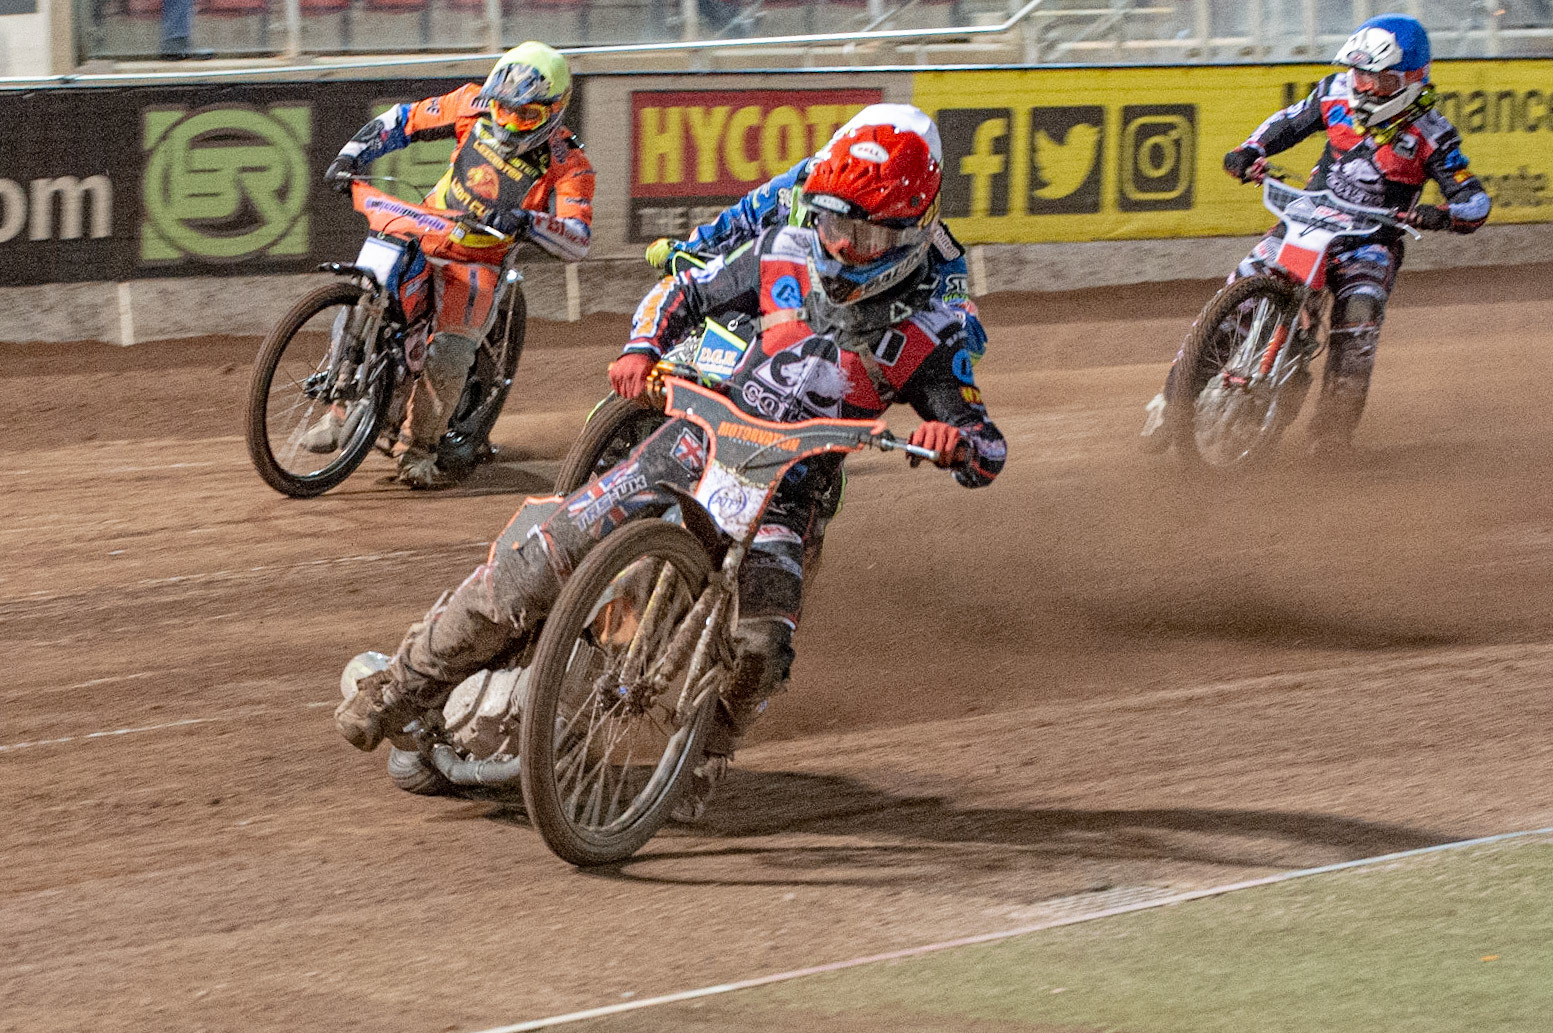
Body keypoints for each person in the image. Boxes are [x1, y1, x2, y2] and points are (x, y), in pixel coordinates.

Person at [336, 121, 1007, 820]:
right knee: (545, 552)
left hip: (788, 493)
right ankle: (398, 688)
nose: (845, 247)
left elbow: (980, 436)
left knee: (760, 645)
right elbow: (685, 289)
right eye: (836, 223)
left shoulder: (938, 325)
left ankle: (707, 751)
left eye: (869, 238)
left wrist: (955, 442)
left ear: (913, 231)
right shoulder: (781, 248)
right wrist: (640, 346)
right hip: (691, 443)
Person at [1139, 14, 1490, 455]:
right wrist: (1251, 150)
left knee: (1358, 319)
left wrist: (1441, 214)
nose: (1362, 86)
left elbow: (1475, 201)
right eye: (1358, 73)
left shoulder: (1432, 135)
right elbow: (1287, 123)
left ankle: (1331, 434)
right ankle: (1171, 401)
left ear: (1411, 79)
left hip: (1371, 239)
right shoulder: (1333, 92)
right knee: (1237, 293)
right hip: (1307, 218)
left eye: (1377, 79)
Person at [304, 41, 595, 489]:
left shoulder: (570, 164)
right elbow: (403, 119)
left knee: (450, 352)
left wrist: (525, 219)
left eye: (525, 116)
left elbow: (577, 241)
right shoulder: (471, 103)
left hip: (479, 261)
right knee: (366, 295)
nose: (507, 123)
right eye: (502, 109)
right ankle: (340, 408)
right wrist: (350, 155)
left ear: (556, 110)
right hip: (425, 229)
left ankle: (420, 450)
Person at [643, 102, 989, 364]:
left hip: (837, 360)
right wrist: (690, 248)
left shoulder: (939, 252)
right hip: (772, 309)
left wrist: (942, 332)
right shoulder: (803, 181)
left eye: (869, 233)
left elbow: (967, 337)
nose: (844, 241)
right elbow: (742, 219)